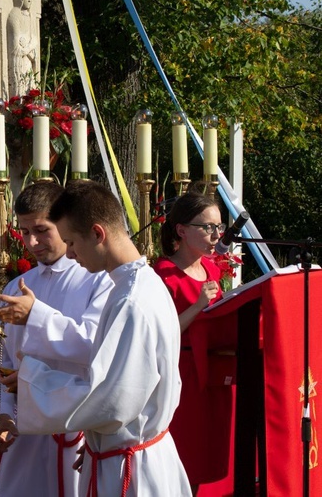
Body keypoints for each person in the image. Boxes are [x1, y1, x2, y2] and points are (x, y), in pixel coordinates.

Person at [13, 180, 191, 496]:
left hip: (133, 470)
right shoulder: (138, 282)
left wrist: (30, 380)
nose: (69, 253)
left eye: (71, 242)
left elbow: (114, 400)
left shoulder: (130, 300)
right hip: (125, 451)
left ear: (98, 234)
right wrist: (99, 438)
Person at [0, 182, 114, 497]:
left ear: (64, 223)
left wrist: (36, 316)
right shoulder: (16, 287)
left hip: (76, 424)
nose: (32, 242)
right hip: (24, 426)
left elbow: (96, 345)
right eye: (24, 232)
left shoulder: (96, 279)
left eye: (41, 230)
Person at [153, 191, 230, 494]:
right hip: (181, 375)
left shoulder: (211, 267)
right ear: (182, 230)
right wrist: (198, 305)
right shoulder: (164, 274)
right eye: (208, 227)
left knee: (209, 453)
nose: (216, 235)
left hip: (210, 371)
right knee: (186, 454)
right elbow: (161, 333)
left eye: (219, 228)